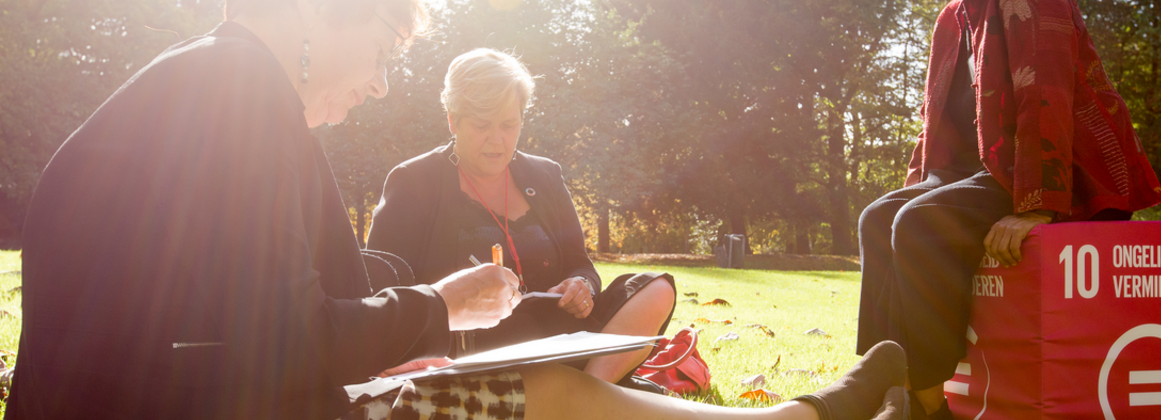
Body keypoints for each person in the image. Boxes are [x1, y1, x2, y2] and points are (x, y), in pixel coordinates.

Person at [9, 0, 909, 419]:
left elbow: (296, 286)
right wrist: (438, 309)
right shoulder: (239, 99)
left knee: (542, 385)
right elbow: (288, 334)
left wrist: (430, 298)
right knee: (537, 391)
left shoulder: (222, 85)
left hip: (179, 389)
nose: (378, 84)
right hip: (176, 403)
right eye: (384, 48)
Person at [853, 1, 1161, 419]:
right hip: (971, 169)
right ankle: (883, 383)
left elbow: (1047, 95)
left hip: (1057, 169)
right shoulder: (953, 15)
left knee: (920, 225)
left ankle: (927, 406)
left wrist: (1039, 205)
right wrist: (917, 184)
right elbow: (934, 117)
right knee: (877, 220)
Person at [364, 48, 676, 391]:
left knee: (656, 288)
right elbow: (383, 292)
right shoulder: (413, 182)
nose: (497, 140)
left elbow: (580, 265)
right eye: (482, 125)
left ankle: (584, 393)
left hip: (562, 341)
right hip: (471, 356)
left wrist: (581, 286)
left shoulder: (545, 175)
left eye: (509, 124)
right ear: (453, 120)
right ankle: (588, 397)